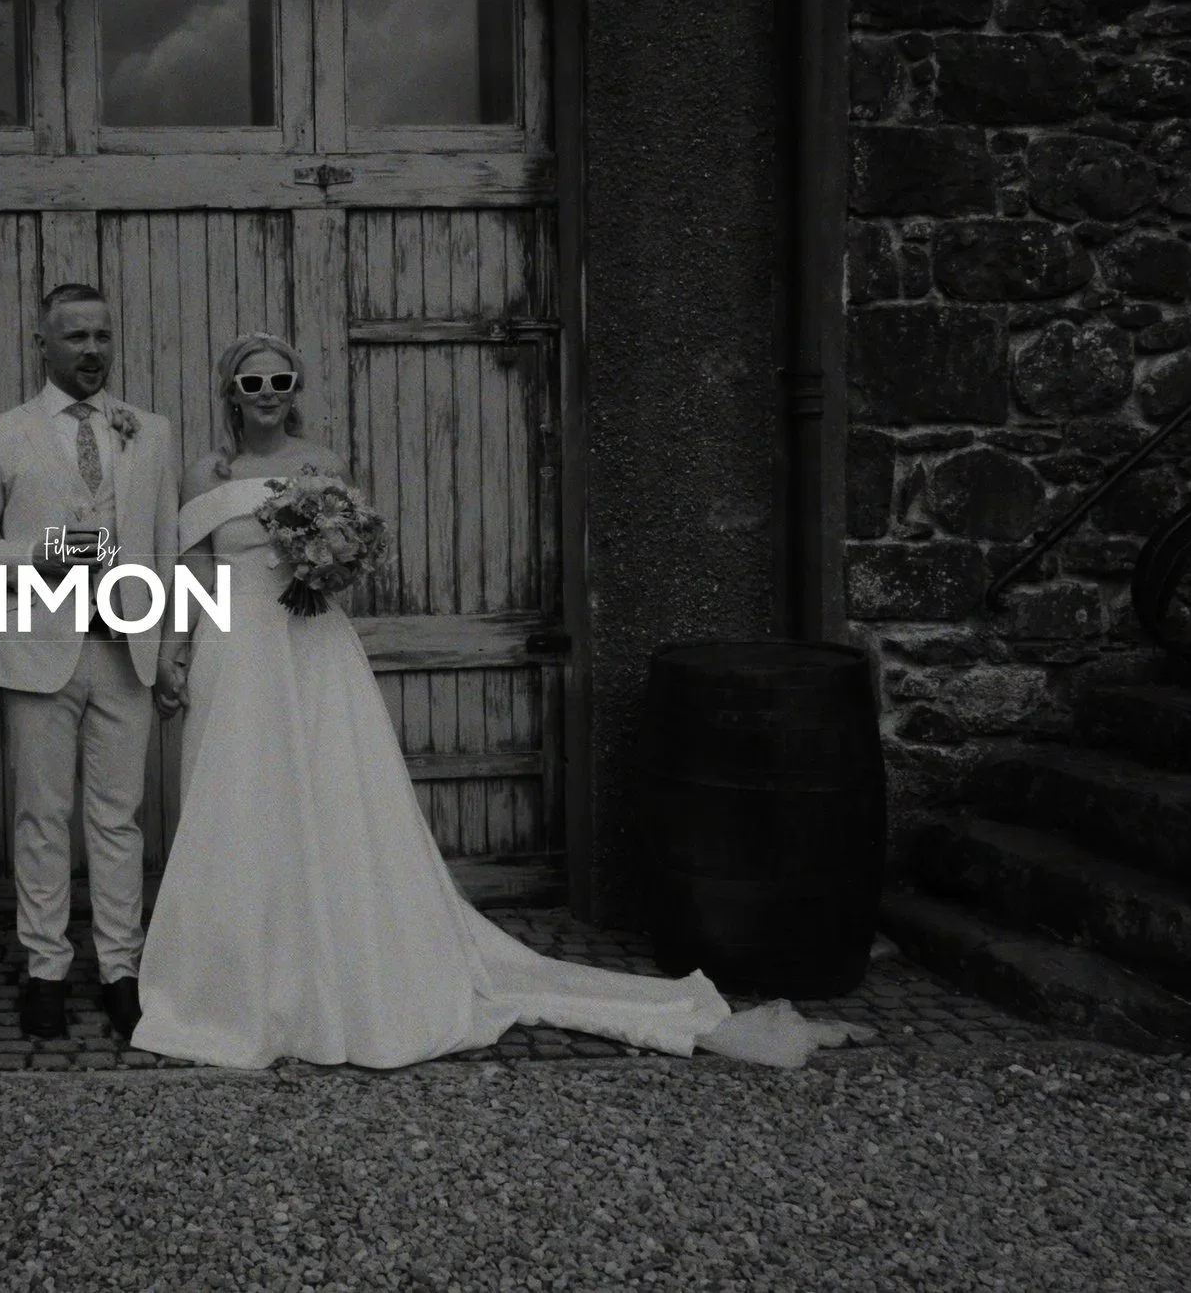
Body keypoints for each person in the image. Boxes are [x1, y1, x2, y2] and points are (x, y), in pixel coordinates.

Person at [132, 333, 840, 1069]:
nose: (268, 394)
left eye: (281, 380)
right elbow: (197, 573)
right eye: (252, 383)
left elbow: (349, 559)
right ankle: (240, 975)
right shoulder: (206, 473)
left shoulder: (323, 464)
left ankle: (343, 963)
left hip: (311, 648)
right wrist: (176, 647)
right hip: (237, 649)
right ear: (231, 393)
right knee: (238, 799)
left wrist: (329, 567)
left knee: (330, 793)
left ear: (296, 389)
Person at [0, 283, 184, 1043]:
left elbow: (167, 548)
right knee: (42, 818)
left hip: (126, 650)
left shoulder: (150, 431)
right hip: (38, 650)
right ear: (42, 344)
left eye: (102, 336)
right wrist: (46, 554)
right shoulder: (1, 435)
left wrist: (169, 648)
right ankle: (45, 969)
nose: (91, 350)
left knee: (118, 819)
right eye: (76, 336)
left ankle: (121, 970)